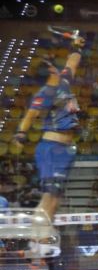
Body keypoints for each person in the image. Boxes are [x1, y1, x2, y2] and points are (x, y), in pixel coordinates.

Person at [12, 35, 85, 226]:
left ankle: (44, 236)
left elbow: (73, 62)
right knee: (48, 197)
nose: (56, 67)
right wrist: (21, 134)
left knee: (56, 199)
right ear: (50, 72)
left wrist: (76, 46)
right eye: (52, 66)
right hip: (51, 149)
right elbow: (30, 115)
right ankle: (36, 239)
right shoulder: (44, 94)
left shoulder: (65, 82)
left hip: (66, 150)